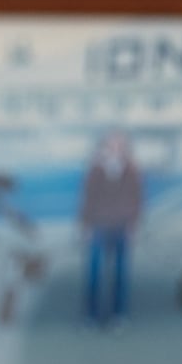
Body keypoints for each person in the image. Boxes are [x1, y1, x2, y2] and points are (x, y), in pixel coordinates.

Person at [80, 129, 146, 328]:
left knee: (120, 274)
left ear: (125, 148)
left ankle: (118, 315)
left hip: (122, 227)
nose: (115, 148)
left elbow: (136, 200)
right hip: (99, 225)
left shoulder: (132, 170)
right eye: (112, 144)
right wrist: (86, 226)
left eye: (119, 145)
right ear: (105, 146)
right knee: (93, 274)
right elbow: (88, 199)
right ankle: (91, 316)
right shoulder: (95, 169)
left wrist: (133, 226)